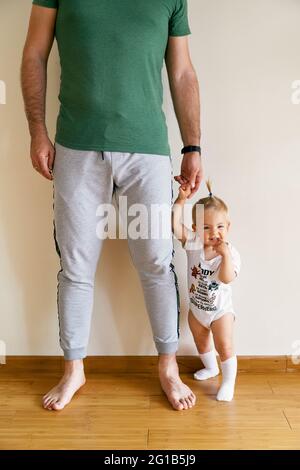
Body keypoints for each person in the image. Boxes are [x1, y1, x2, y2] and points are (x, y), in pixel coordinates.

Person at [21, 0, 203, 411]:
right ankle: (73, 369)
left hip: (148, 153)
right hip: (77, 148)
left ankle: (168, 366)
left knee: (156, 260)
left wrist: (192, 145)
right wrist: (36, 130)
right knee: (76, 264)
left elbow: (182, 70)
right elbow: (34, 52)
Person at [172, 180, 241, 401]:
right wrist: (181, 201)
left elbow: (226, 278)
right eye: (206, 227)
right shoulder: (193, 243)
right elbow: (174, 225)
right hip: (197, 309)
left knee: (224, 345)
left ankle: (228, 382)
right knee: (201, 341)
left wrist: (225, 256)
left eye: (220, 227)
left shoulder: (231, 253)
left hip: (220, 311)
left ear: (227, 227)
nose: (214, 233)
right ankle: (211, 368)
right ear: (195, 229)